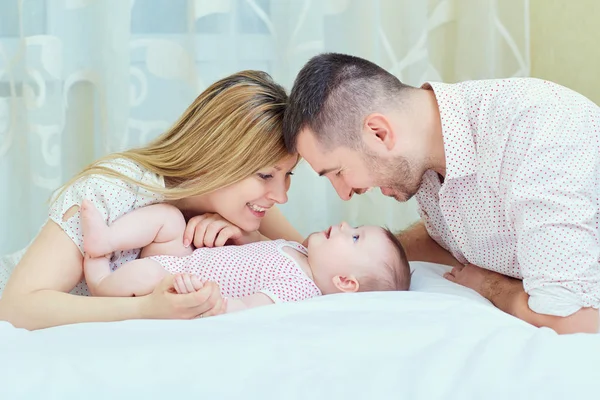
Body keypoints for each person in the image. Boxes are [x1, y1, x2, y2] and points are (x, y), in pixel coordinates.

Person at [282, 52, 600, 334]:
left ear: (379, 133)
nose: (345, 193)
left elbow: (578, 320)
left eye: (338, 172)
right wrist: (342, 265)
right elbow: (462, 237)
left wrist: (491, 286)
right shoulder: (429, 162)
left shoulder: (537, 135)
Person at [0, 70, 304, 330]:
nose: (282, 195)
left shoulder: (251, 209)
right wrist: (145, 309)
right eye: (266, 175)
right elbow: (16, 308)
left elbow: (312, 264)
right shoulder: (114, 189)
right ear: (217, 156)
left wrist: (249, 240)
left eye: (289, 174)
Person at [79, 200, 410, 310]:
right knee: (168, 218)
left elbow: (245, 307)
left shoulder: (299, 289)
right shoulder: (298, 250)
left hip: (176, 277)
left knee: (146, 275)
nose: (343, 224)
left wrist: (202, 297)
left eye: (354, 237)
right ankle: (105, 240)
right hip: (184, 255)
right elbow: (253, 245)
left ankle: (101, 283)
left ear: (344, 282)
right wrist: (239, 233)